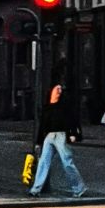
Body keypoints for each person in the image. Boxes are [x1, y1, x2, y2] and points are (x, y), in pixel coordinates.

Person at [28, 65, 85, 198]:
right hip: (49, 136)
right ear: (52, 91)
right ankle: (35, 189)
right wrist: (38, 142)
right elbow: (42, 125)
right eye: (57, 89)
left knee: (67, 162)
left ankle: (79, 187)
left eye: (60, 89)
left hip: (61, 135)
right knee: (43, 162)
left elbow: (73, 120)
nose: (59, 91)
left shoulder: (64, 105)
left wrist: (74, 134)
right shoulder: (47, 107)